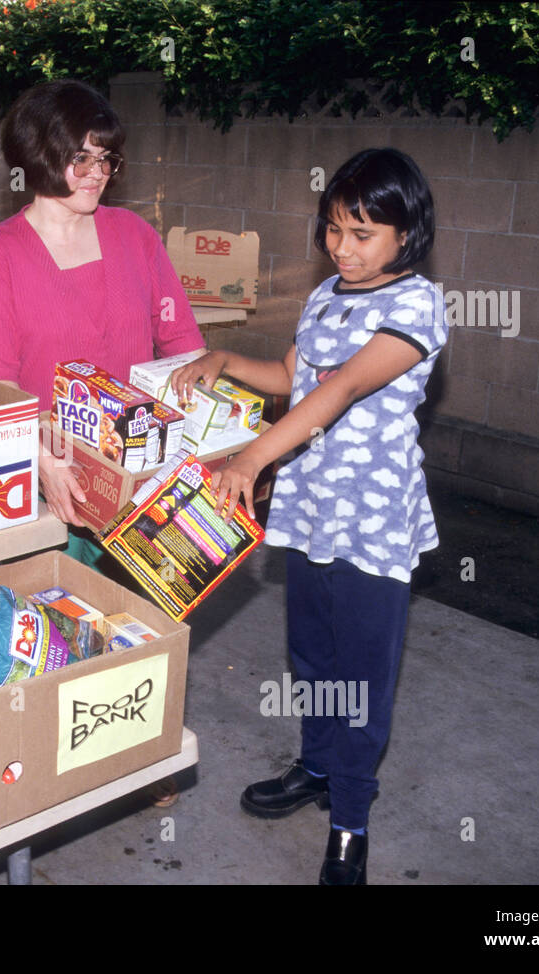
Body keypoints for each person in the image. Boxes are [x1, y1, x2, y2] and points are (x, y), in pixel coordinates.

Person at [172, 147, 447, 885]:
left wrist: (251, 459)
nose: (343, 248)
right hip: (313, 512)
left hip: (371, 522)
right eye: (333, 229)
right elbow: (296, 380)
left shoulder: (415, 304)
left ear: (404, 233)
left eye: (363, 234)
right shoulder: (328, 293)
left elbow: (343, 390)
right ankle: (319, 767)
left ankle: (351, 820)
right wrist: (224, 358)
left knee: (361, 676)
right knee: (314, 660)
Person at [0, 79, 205, 537]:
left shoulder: (135, 235)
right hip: (49, 481)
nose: (98, 172)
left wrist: (215, 436)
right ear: (37, 154)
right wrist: (44, 464)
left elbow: (183, 345)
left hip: (143, 476)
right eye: (81, 159)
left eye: (107, 158)